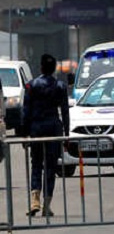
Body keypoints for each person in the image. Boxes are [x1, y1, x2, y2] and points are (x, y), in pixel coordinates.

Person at [22, 54, 70, 216]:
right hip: (54, 130)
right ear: (54, 68)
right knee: (50, 167)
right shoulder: (60, 87)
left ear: (41, 68)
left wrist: (24, 134)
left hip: (36, 130)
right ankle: (46, 205)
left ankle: (35, 200)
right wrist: (67, 134)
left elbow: (26, 112)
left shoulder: (31, 86)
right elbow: (64, 112)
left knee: (36, 164)